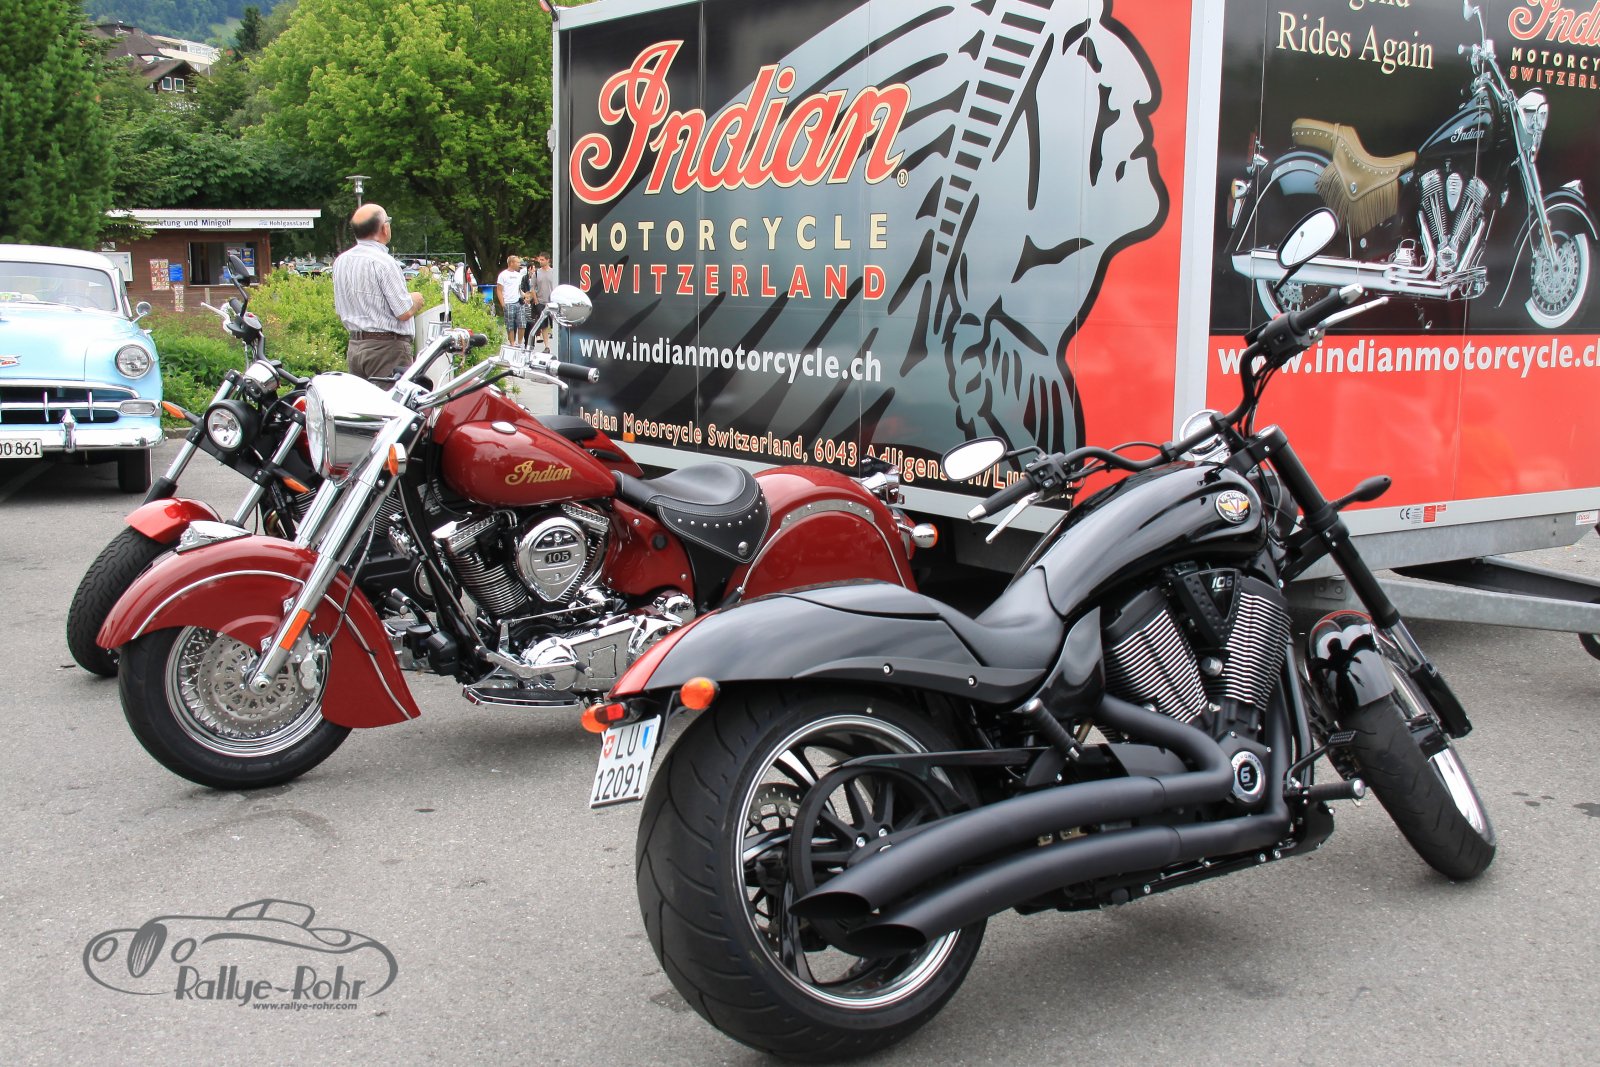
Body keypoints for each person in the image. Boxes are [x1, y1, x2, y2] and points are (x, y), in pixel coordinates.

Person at [332, 204, 425, 383]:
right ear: (384, 228)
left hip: (355, 346)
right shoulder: (384, 262)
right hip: (386, 350)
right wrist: (415, 299)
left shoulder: (341, 261)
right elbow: (403, 311)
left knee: (363, 401)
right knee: (391, 400)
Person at [522, 251, 555, 350]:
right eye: (539, 260)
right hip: (540, 302)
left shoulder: (554, 272)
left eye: (542, 260)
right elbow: (532, 287)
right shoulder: (536, 273)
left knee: (554, 324)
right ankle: (547, 346)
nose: (540, 261)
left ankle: (556, 343)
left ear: (548, 260)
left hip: (552, 302)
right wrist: (535, 300)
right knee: (543, 325)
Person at [497, 254, 528, 347]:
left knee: (522, 323)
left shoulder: (518, 275)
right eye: (517, 262)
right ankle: (512, 343)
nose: (519, 264)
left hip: (518, 302)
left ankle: (519, 343)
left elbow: (519, 289)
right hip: (508, 303)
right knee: (510, 325)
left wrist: (525, 295)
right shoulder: (503, 275)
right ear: (511, 263)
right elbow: (499, 290)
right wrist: (503, 304)